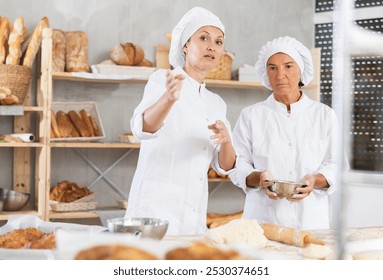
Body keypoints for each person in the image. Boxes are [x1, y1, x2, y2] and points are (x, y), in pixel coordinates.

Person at [125, 7, 236, 235]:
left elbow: (225, 166)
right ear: (185, 45)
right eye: (203, 37)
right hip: (155, 207)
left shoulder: (216, 103)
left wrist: (226, 142)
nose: (211, 46)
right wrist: (168, 98)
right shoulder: (162, 80)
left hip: (194, 211)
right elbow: (142, 128)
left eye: (218, 42)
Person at [232, 36, 338, 230]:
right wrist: (259, 178)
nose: (280, 75)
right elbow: (237, 164)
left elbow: (337, 165)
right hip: (263, 221)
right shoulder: (250, 116)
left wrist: (314, 180)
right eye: (272, 68)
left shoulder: (325, 115)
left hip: (310, 222)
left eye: (288, 66)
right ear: (266, 73)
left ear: (301, 69)